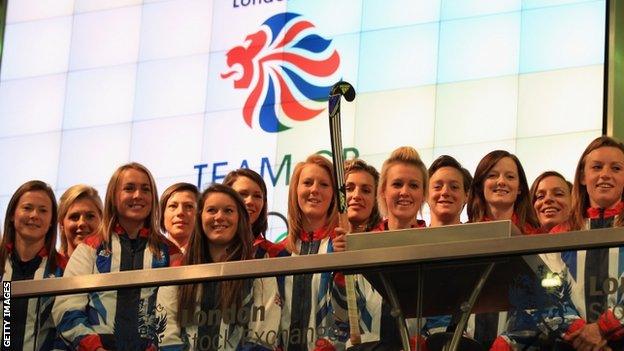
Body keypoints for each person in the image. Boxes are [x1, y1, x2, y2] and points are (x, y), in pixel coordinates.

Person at [53, 162, 182, 350]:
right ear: (113, 196)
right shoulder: (89, 248)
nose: (138, 195)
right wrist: (93, 347)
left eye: (145, 189)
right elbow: (67, 306)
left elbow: (172, 317)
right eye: (129, 188)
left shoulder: (170, 252)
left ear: (153, 197)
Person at [157, 184, 280, 350]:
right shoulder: (178, 274)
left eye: (228, 211)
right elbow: (167, 337)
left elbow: (262, 337)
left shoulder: (260, 273)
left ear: (240, 219)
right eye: (212, 210)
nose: (219, 217)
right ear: (200, 218)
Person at [490, 171, 579, 351]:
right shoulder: (530, 256)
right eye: (540, 196)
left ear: (574, 202)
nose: (548, 200)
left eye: (559, 194)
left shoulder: (587, 248)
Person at [550, 136, 624, 350]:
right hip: (573, 344)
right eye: (597, 167)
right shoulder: (560, 234)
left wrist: (602, 328)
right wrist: (580, 332)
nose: (605, 175)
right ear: (583, 176)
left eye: (616, 168)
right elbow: (545, 294)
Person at [280, 154, 345, 350]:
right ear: (296, 190)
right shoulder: (279, 252)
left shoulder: (341, 247)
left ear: (334, 194)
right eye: (307, 182)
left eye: (324, 184)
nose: (315, 189)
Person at [0, 180, 58, 350]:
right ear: (12, 214)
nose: (34, 215)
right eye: (27, 208)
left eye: (43, 210)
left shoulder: (63, 268)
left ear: (51, 221)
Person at [467, 150, 540, 235]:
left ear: (520, 187)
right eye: (492, 175)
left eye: (510, 177)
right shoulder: (465, 234)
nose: (501, 182)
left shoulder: (536, 235)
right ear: (480, 185)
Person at [223, 169, 277, 258]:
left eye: (257, 196)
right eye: (242, 194)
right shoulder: (204, 248)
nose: (250, 201)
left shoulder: (273, 253)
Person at [378, 146, 428, 230]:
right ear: (383, 190)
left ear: (423, 193)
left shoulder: (437, 242)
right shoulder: (365, 242)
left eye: (413, 185)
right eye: (397, 184)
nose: (405, 192)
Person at [57, 184, 103, 271]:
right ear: (61, 223)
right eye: (74, 217)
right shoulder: (48, 268)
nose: (82, 223)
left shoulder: (110, 264)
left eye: (90, 216)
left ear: (102, 220)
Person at [427, 155, 472, 227]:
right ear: (425, 194)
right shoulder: (412, 237)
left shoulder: (482, 237)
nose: (445, 192)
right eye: (437, 187)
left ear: (467, 195)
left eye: (454, 187)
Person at [159, 182, 199, 254]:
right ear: (162, 213)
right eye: (173, 206)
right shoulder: (149, 255)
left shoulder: (211, 255)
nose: (180, 212)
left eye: (189, 206)